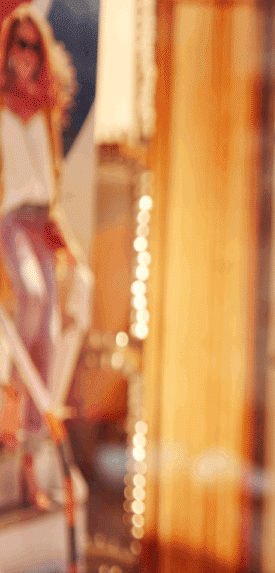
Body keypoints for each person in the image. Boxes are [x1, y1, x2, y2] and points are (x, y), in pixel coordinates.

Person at [0, 4, 78, 513]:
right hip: (8, 222)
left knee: (47, 339)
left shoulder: (46, 109)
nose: (25, 55)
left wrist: (62, 233)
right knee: (27, 297)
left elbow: (50, 181)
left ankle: (30, 465)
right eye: (18, 45)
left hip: (40, 223)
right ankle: (9, 392)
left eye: (33, 46)